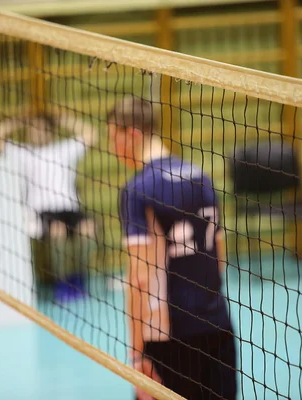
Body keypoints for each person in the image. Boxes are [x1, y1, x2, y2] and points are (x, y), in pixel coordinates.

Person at [107, 97, 237, 400]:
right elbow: (220, 257)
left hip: (168, 339)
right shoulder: (201, 176)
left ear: (133, 134)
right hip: (218, 326)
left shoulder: (138, 190)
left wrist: (138, 356)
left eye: (114, 138)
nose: (113, 149)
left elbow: (138, 279)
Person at [0, 110, 98, 304]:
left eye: (40, 129)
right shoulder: (23, 153)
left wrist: (62, 118)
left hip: (69, 207)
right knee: (58, 231)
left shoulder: (63, 149)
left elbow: (92, 134)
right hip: (41, 211)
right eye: (32, 129)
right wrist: (18, 120)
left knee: (88, 229)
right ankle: (61, 284)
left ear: (50, 132)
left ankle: (79, 280)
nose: (36, 132)